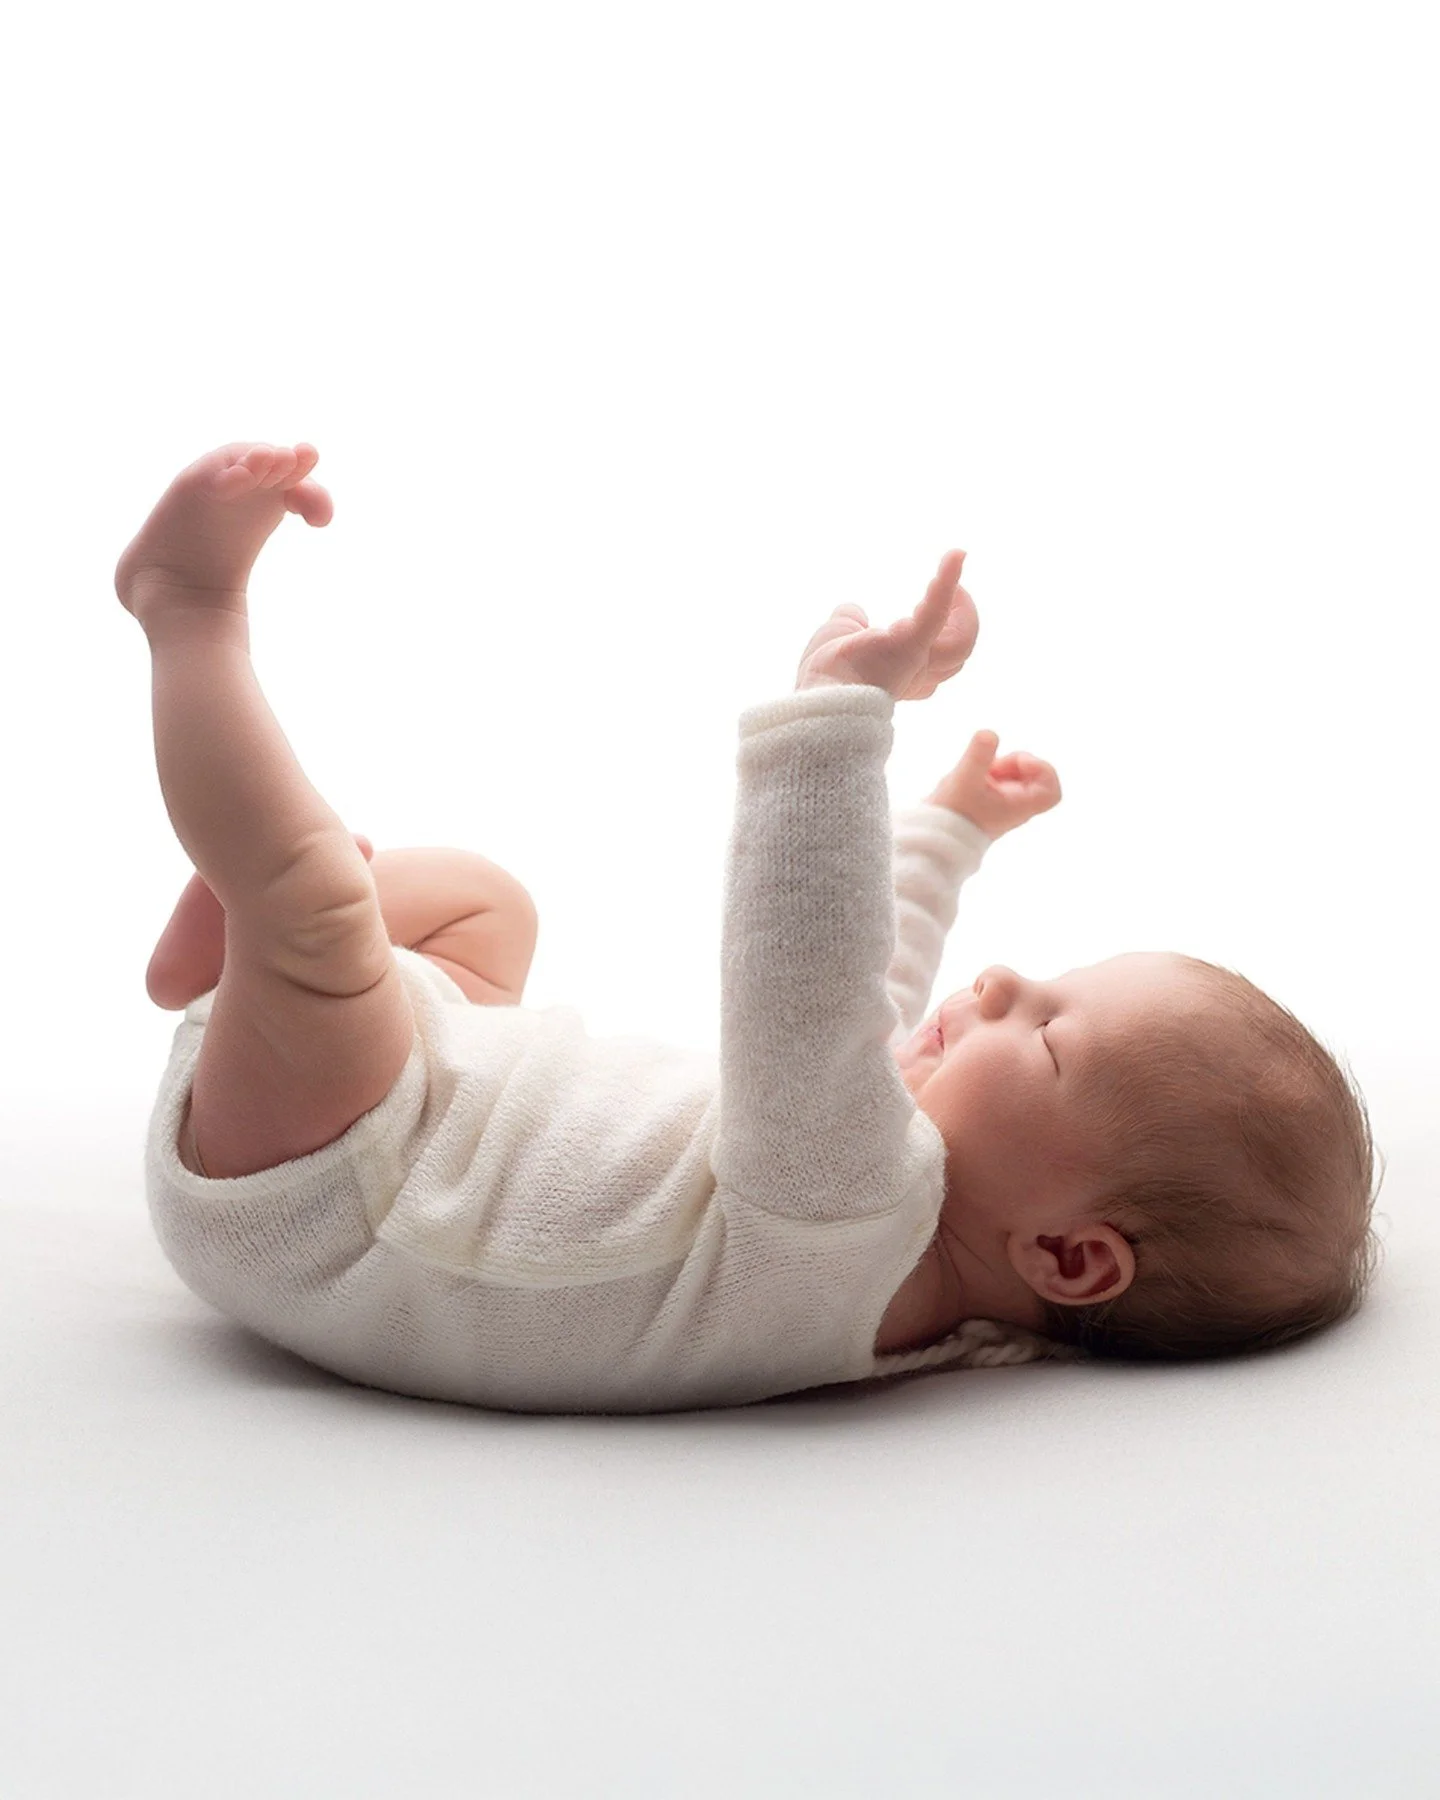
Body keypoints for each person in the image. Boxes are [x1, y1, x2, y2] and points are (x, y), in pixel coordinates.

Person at [121, 442, 1382, 1413]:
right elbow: (875, 991)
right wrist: (949, 834)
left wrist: (835, 721)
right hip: (409, 1123)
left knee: (321, 908)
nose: (1002, 985)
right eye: (1043, 984)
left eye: (1049, 1039)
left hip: (329, 1204)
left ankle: (187, 612)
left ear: (1066, 1254)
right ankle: (232, 967)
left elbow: (809, 982)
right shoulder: (888, 1191)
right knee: (484, 908)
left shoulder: (848, 1232)